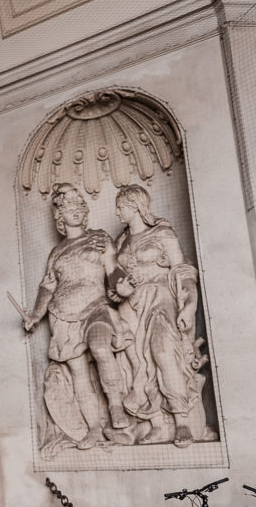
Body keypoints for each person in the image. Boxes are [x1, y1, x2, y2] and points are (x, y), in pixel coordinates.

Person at [23, 184, 132, 450]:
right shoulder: (56, 253)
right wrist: (36, 316)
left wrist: (122, 285)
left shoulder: (98, 237)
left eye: (78, 206)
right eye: (67, 208)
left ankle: (116, 408)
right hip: (62, 316)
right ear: (59, 216)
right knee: (80, 375)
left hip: (95, 307)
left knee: (100, 346)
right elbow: (47, 287)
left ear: (84, 211)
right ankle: (93, 429)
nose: (74, 211)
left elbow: (113, 268)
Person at [111, 185, 212, 447]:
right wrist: (117, 291)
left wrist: (188, 305)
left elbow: (182, 270)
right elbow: (114, 279)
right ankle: (156, 423)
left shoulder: (162, 233)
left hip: (160, 299)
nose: (117, 211)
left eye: (120, 206)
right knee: (137, 365)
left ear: (135, 206)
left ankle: (182, 421)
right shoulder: (121, 242)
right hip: (130, 307)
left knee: (163, 351)